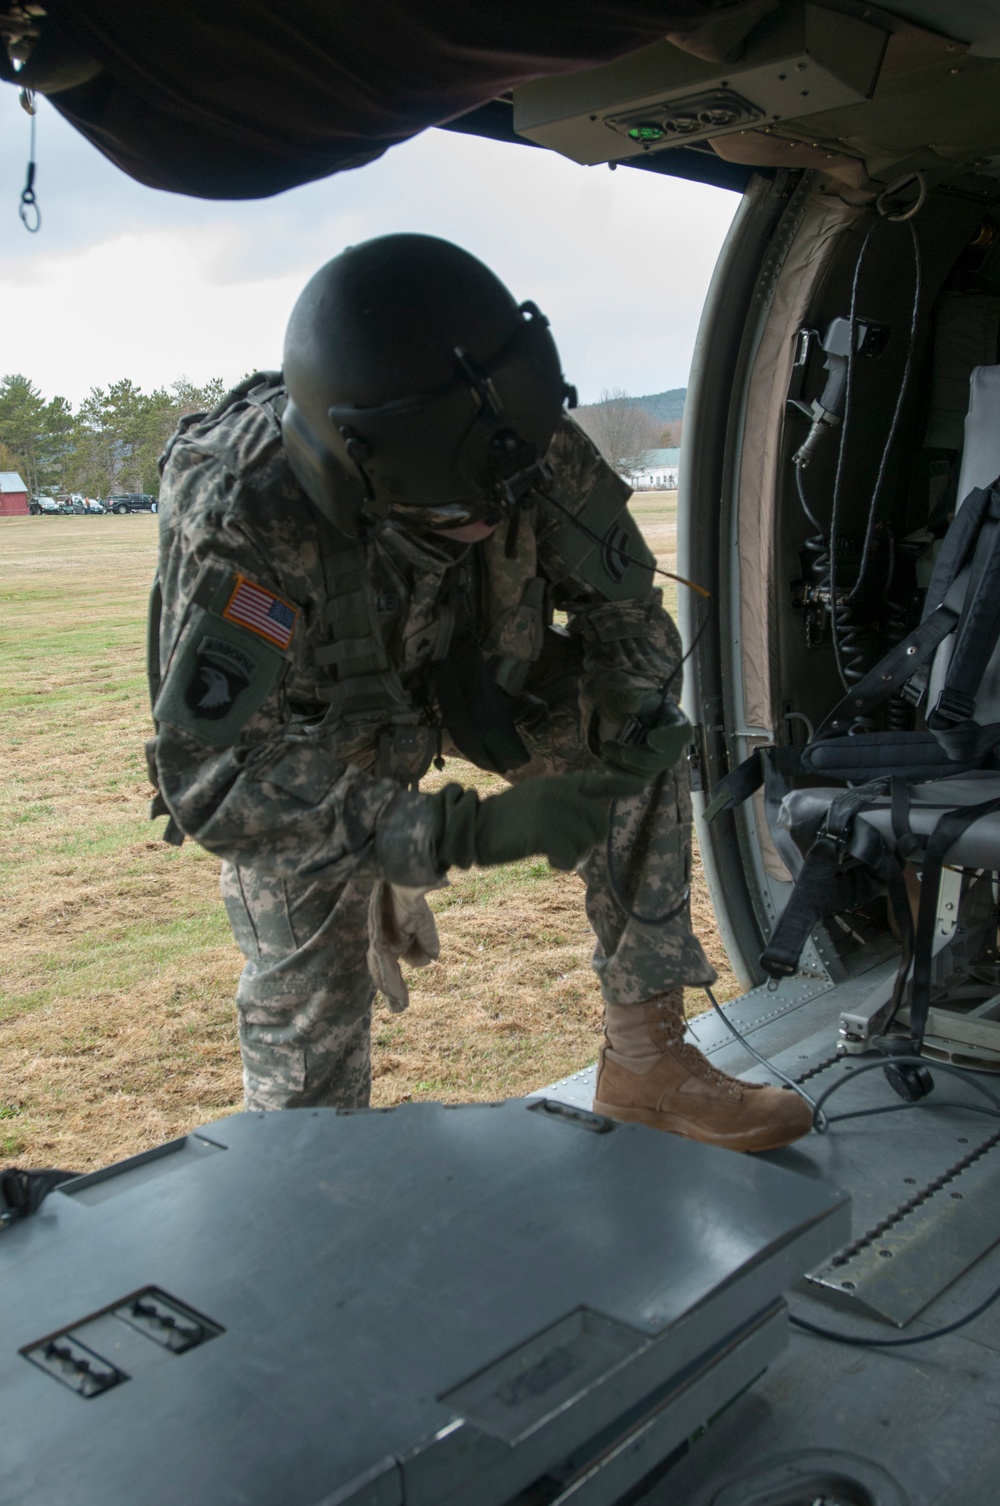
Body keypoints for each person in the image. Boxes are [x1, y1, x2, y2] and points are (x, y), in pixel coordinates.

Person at [149, 233, 811, 1153]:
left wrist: (633, 705)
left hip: (480, 682)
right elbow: (216, 781)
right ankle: (303, 1186)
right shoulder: (248, 512)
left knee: (637, 755)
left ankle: (646, 1062)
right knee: (307, 1009)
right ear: (360, 481)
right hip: (316, 741)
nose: (498, 514)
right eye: (463, 512)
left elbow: (625, 611)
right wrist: (456, 832)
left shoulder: (515, 439)